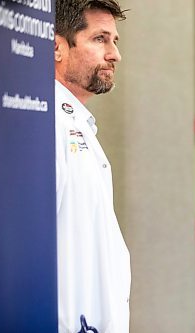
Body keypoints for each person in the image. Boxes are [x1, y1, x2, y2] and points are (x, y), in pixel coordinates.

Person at [54, 1, 130, 332]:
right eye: (100, 39)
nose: (115, 54)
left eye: (114, 41)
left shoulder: (78, 124)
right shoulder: (44, 122)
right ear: (57, 47)